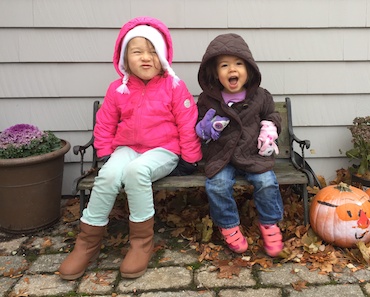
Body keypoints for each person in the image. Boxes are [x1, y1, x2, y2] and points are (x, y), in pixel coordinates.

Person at [59, 17, 202, 280]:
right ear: (125, 57)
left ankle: (141, 244)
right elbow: (105, 124)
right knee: (110, 175)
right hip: (126, 148)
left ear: (163, 56)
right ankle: (87, 243)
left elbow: (187, 124)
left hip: (163, 150)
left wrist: (190, 159)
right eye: (137, 51)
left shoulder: (173, 86)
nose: (146, 58)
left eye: (152, 51)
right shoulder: (118, 90)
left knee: (136, 172)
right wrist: (104, 154)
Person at [195, 33, 284, 257]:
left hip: (252, 154)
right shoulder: (208, 99)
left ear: (249, 69)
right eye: (224, 65)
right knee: (217, 185)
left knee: (266, 182)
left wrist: (270, 129)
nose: (231, 70)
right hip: (222, 156)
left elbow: (272, 115)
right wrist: (208, 128)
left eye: (238, 64)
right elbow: (200, 127)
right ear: (215, 73)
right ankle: (229, 225)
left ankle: (270, 224)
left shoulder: (261, 97)